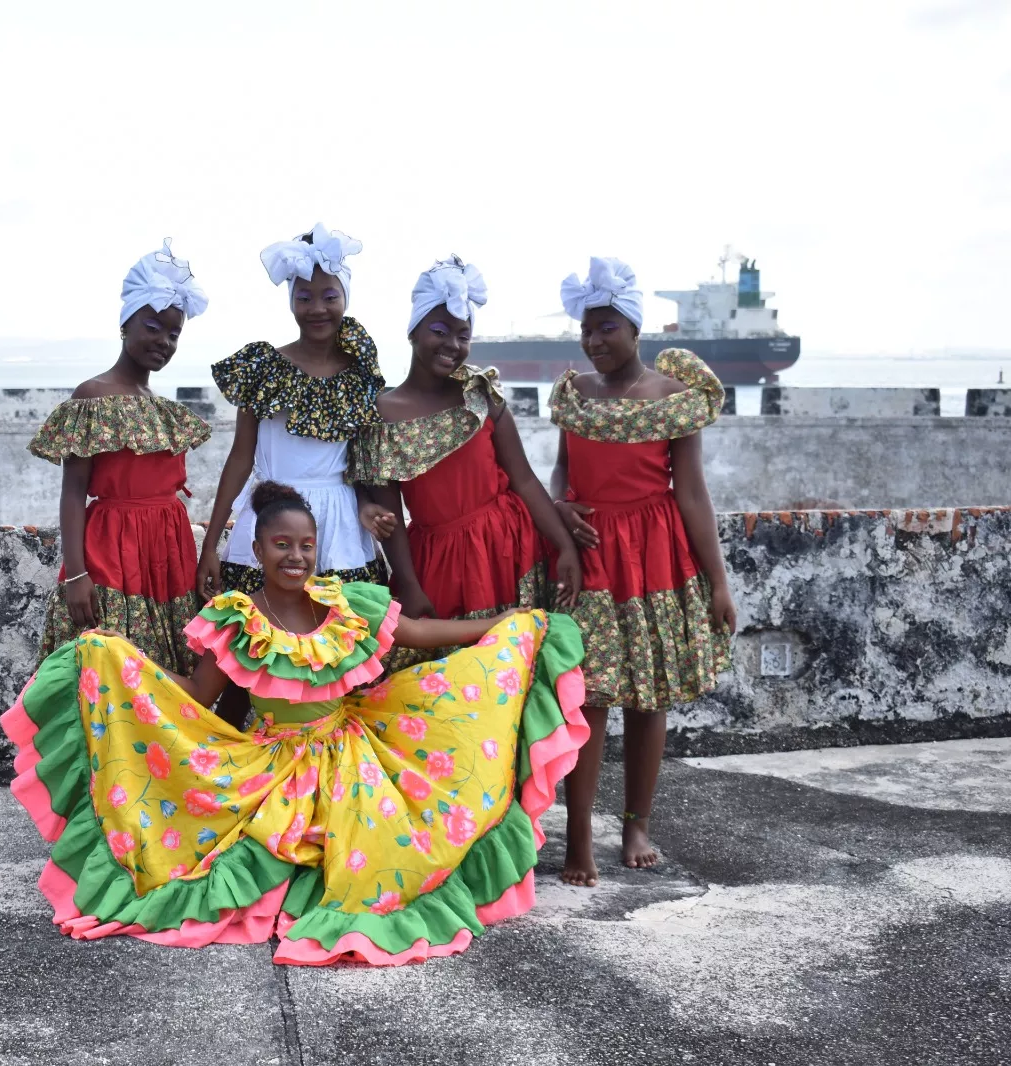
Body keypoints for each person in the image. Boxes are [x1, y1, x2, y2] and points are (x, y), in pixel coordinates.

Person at [3, 481, 589, 966]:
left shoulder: (345, 603)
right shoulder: (237, 619)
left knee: (396, 833)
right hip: (276, 758)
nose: (296, 557)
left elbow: (418, 633)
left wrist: (500, 624)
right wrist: (120, 661)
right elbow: (195, 696)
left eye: (306, 545)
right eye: (282, 545)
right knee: (245, 847)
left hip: (355, 749)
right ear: (256, 550)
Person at [548, 257, 737, 887]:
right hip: (594, 550)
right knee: (591, 698)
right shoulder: (574, 392)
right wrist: (560, 508)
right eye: (587, 330)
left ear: (633, 327)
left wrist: (717, 580)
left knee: (648, 697)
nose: (594, 341)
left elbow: (692, 494)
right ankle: (579, 839)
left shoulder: (672, 399)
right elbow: (561, 470)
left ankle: (635, 824)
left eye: (606, 328)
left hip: (656, 553)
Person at [351, 256, 584, 659]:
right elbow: (391, 521)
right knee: (454, 681)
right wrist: (407, 582)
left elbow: (525, 480)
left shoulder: (480, 396)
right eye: (439, 331)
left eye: (463, 335)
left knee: (517, 671)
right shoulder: (381, 415)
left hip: (511, 550)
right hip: (439, 566)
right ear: (413, 332)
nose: (452, 345)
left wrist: (564, 545)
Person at [28, 240, 211, 673]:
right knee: (107, 670)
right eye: (153, 326)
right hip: (111, 551)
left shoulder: (161, 408)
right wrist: (76, 574)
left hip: (167, 556)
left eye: (174, 333)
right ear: (125, 324)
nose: (164, 341)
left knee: (161, 675)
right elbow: (73, 493)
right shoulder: (92, 396)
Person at [195, 224, 390, 603]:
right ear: (291, 301)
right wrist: (210, 546)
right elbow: (240, 457)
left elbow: (360, 458)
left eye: (329, 296)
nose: (317, 308)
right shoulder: (264, 367)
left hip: (342, 529)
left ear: (345, 297)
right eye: (304, 297)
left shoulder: (361, 370)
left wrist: (366, 504)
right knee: (264, 645)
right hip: (271, 518)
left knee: (339, 645)